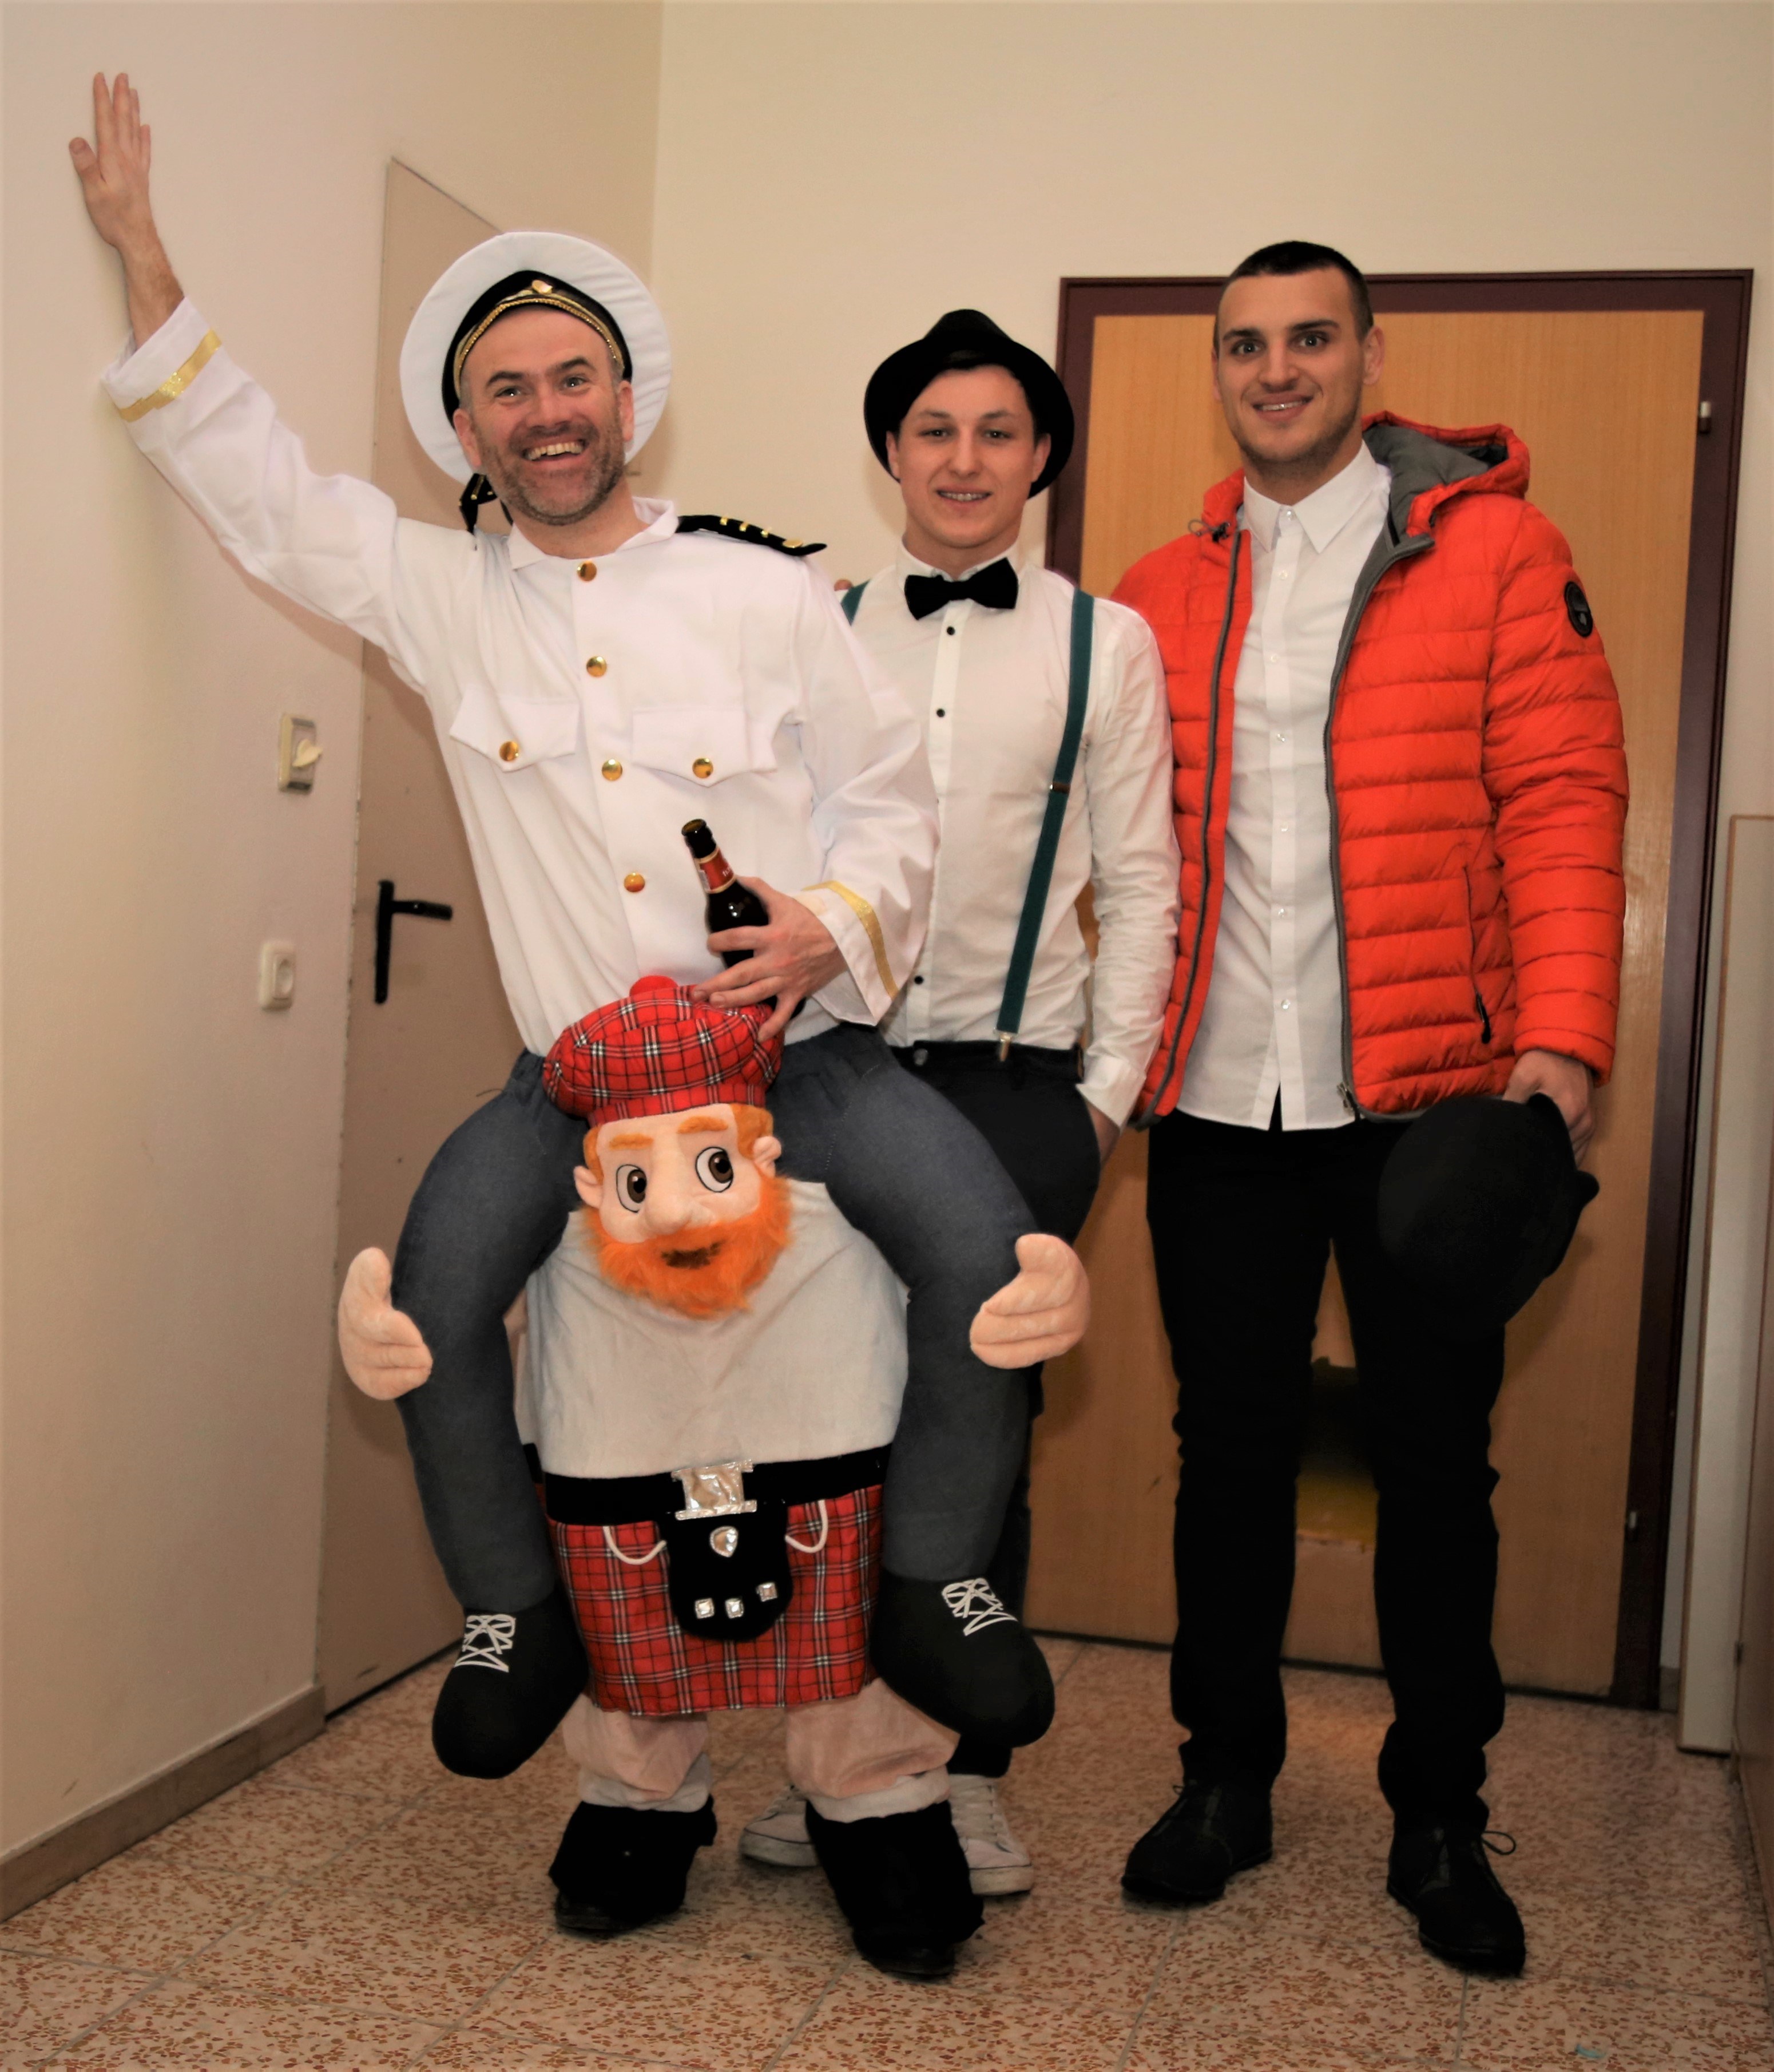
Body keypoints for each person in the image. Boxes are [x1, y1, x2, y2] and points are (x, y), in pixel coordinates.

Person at [73, 73, 1066, 1784]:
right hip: (577, 1080)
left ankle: (932, 1581)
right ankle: (512, 1612)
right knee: (436, 1294)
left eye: (573, 378)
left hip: (794, 1056)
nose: (546, 412)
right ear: (467, 430)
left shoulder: (762, 591)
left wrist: (828, 926)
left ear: (626, 402)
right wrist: (144, 258)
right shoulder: (439, 597)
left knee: (983, 1256)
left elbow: (894, 806)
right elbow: (265, 493)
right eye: (508, 390)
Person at [1112, 241, 1628, 1974]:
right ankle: (1223, 1778)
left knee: (1431, 1467)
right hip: (1215, 1102)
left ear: (1369, 356)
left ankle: (1439, 1811)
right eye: (1245, 343)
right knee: (1228, 1456)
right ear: (1218, 369)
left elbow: (1563, 797)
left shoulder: (1497, 550)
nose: (1276, 369)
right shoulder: (1158, 587)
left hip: (1428, 1101)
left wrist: (1562, 1043)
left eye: (1309, 338)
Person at [375, 977, 1077, 1979]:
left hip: (814, 1049)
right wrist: (401, 1333)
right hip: (578, 1101)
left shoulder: (839, 1118)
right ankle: (633, 1789)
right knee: (601, 1494)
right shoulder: (562, 1151)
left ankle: (879, 1791)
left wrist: (1025, 1279)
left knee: (860, 1494)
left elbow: (890, 875)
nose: (676, 1209)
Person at [739, 311, 1179, 1896]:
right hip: (834, 1071)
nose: (965, 459)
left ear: (1040, 455)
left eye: (998, 431)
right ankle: (842, 1764)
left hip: (1013, 1087)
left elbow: (1144, 885)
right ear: (890, 454)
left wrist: (1102, 1102)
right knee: (821, 1424)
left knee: (977, 1432)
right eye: (934, 429)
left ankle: (965, 1771)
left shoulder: (1105, 642)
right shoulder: (814, 621)